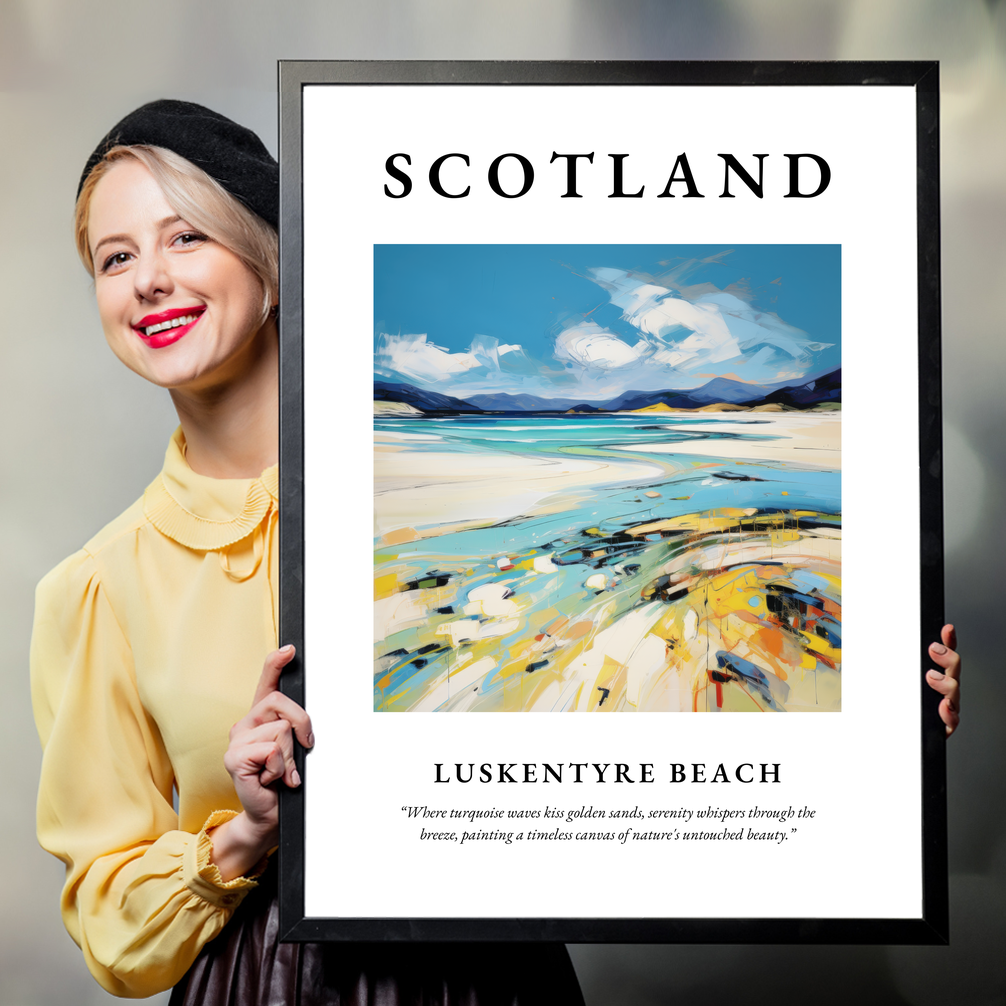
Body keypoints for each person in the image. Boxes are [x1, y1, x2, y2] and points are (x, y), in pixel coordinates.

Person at [30, 100, 585, 1004]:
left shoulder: (459, 500)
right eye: (116, 257)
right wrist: (245, 832)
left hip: (492, 973)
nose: (148, 281)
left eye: (186, 239)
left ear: (273, 264)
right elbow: (110, 924)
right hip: (262, 982)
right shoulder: (97, 587)